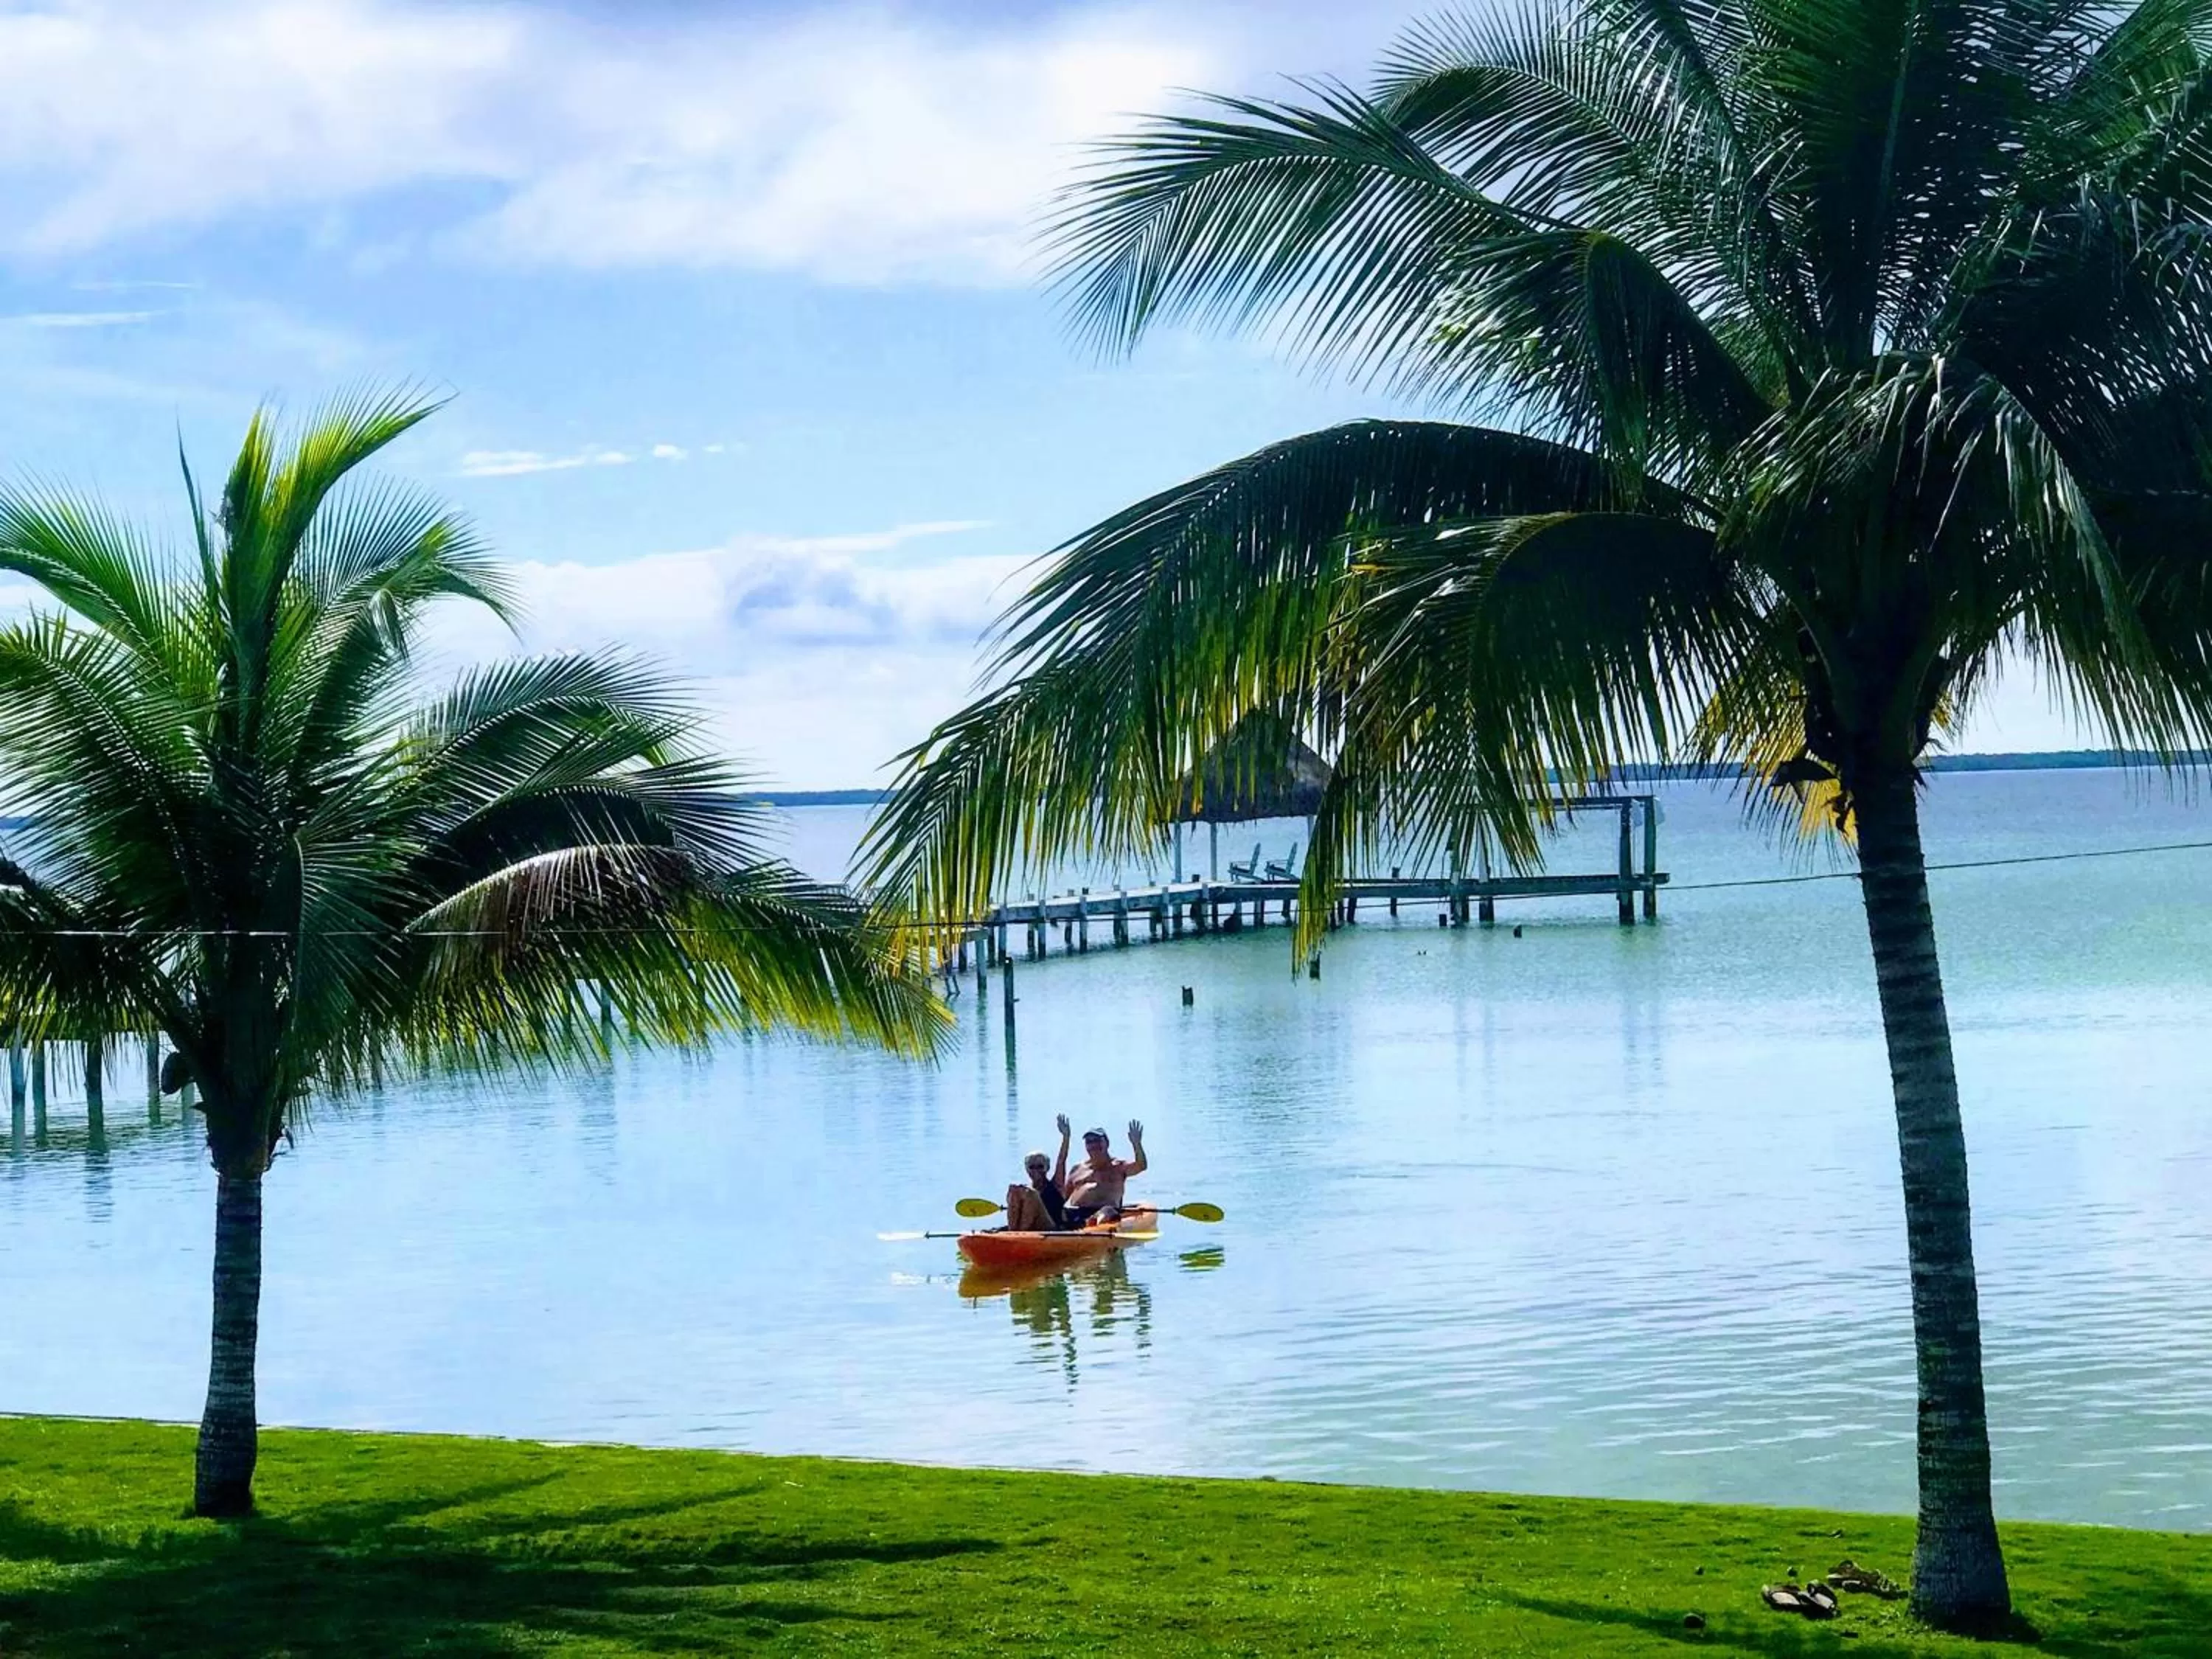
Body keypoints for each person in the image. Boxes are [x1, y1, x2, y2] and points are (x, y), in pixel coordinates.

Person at [1063, 1119, 1147, 1226]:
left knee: (1107, 1211)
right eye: (1089, 1142)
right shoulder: (1077, 1169)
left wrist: (1137, 1144)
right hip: (1076, 1213)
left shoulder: (1118, 1167)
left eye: (1097, 1140)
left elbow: (1141, 1166)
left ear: (1106, 1143)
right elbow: (1062, 1198)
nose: (1094, 1145)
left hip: (1105, 1214)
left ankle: (1094, 1224)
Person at [1004, 1116, 1072, 1231]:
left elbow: (1061, 1160)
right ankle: (1013, 1233)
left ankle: (1019, 1236)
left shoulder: (1056, 1185)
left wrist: (1066, 1137)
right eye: (1032, 1167)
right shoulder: (1024, 1192)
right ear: (1027, 1169)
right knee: (1014, 1189)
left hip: (1051, 1229)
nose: (1036, 1171)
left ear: (1047, 1168)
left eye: (1040, 1167)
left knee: (1032, 1194)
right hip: (1028, 1230)